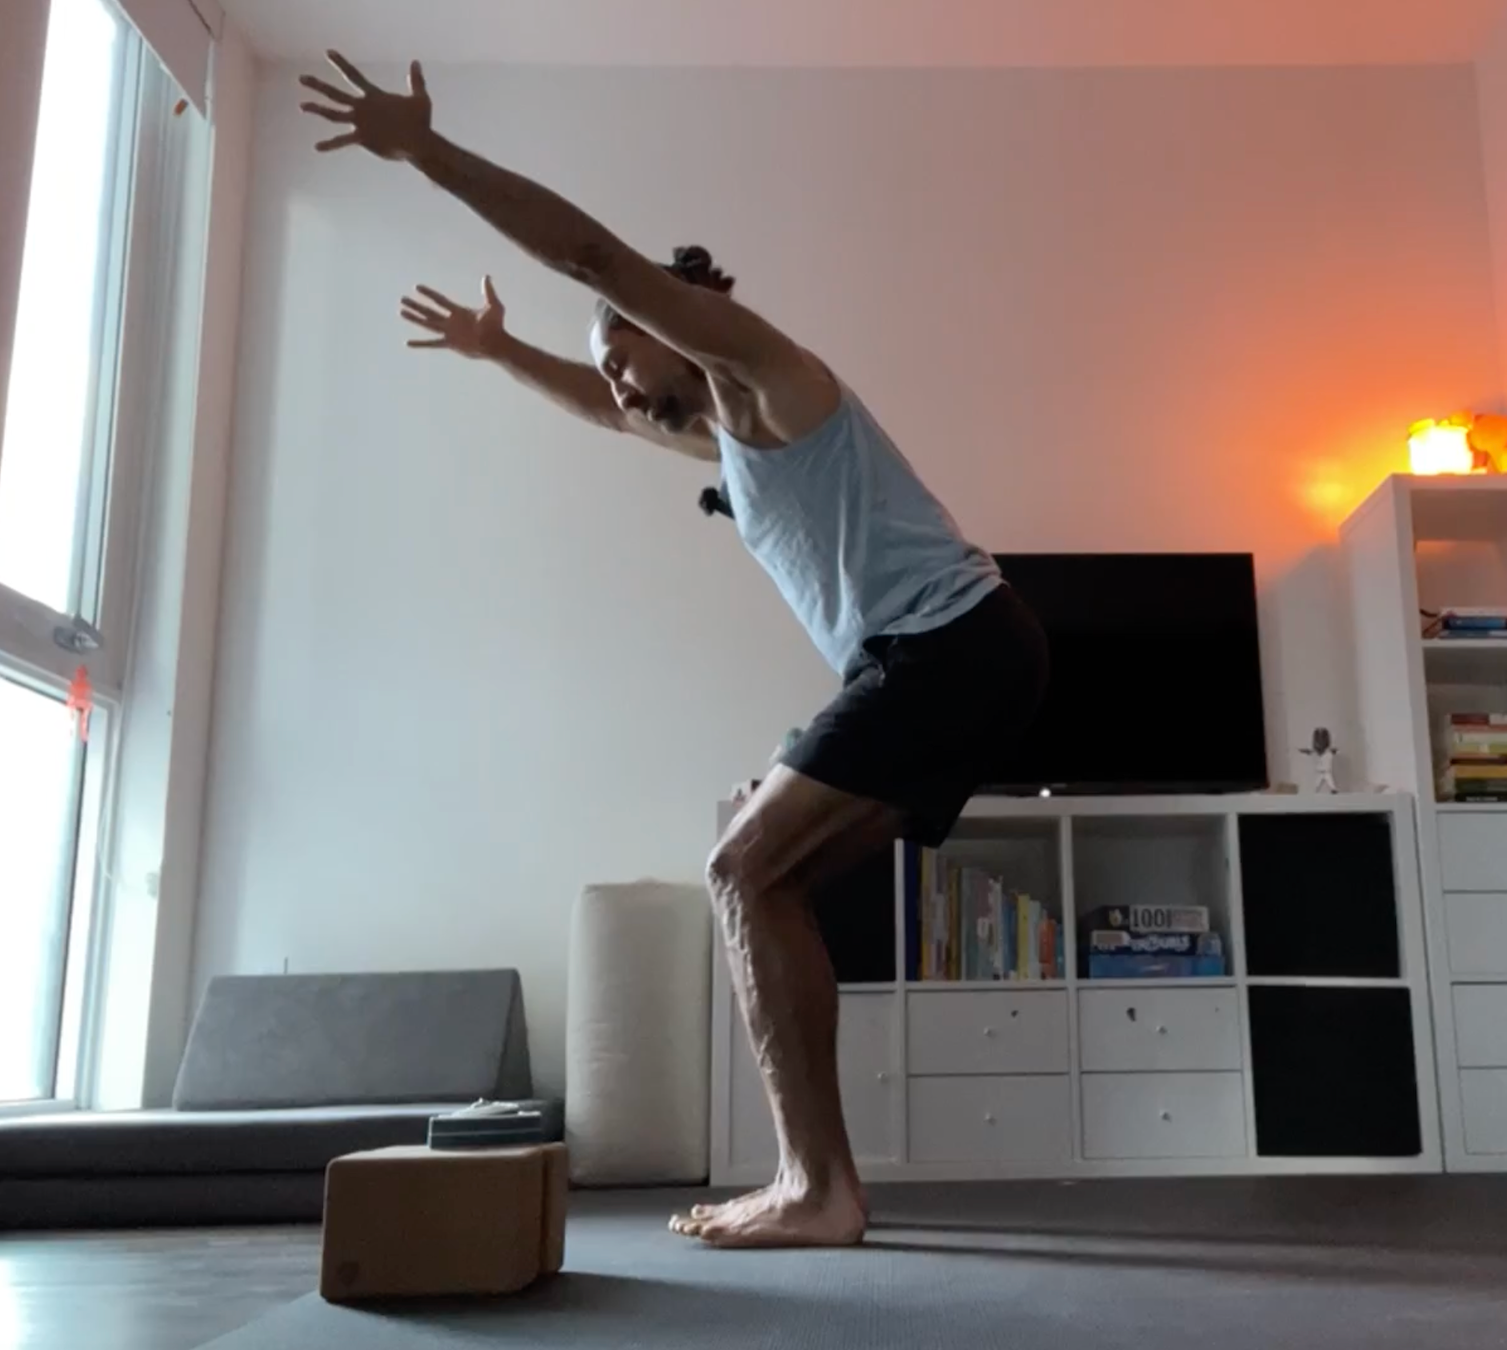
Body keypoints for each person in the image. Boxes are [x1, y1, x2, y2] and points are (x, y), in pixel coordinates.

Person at [299, 53, 1050, 1249]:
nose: (614, 381)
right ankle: (825, 1187)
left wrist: (428, 154)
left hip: (945, 646)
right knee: (772, 878)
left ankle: (816, 1190)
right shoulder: (739, 446)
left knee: (738, 871)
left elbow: (596, 260)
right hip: (962, 655)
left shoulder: (767, 374)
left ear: (663, 322)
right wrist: (503, 356)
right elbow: (604, 407)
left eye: (619, 351)